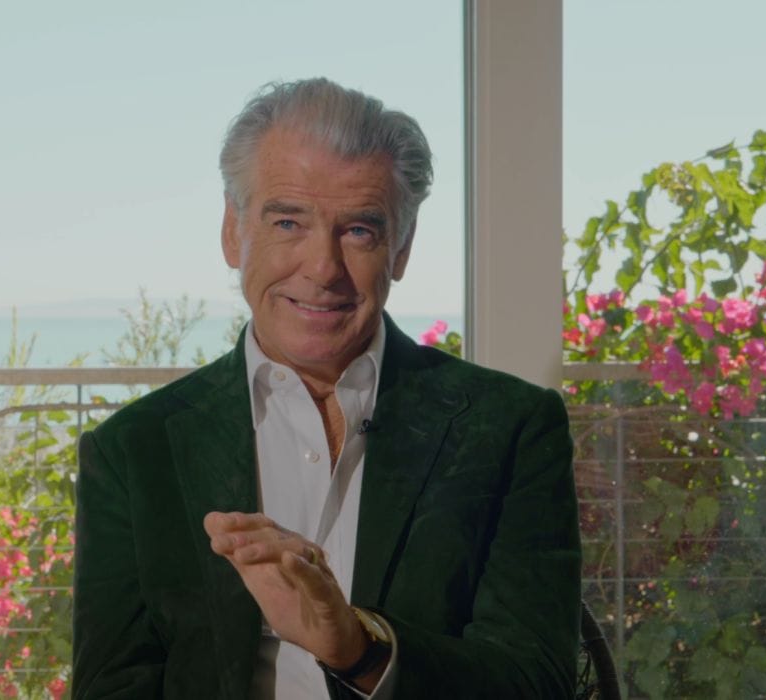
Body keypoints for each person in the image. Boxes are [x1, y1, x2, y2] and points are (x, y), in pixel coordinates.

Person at [71, 77, 581, 699]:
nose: (322, 268)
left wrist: (361, 649)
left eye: (359, 231)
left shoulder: (511, 428)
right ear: (234, 232)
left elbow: (537, 685)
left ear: (402, 247)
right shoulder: (132, 450)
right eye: (288, 222)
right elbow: (110, 688)